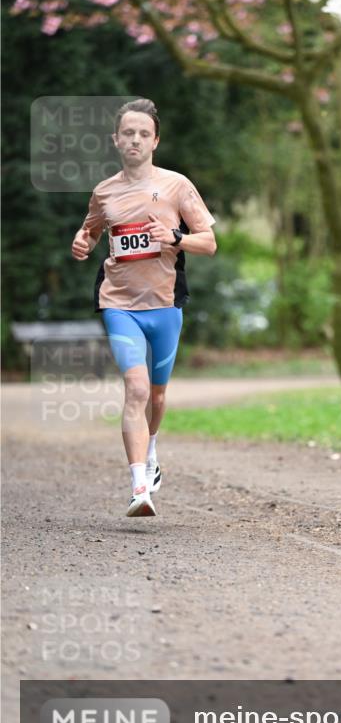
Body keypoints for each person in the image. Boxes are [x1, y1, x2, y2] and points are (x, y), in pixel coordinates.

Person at [71, 98, 217, 517]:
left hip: (165, 304)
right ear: (116, 140)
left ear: (155, 140)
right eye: (127, 133)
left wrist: (175, 237)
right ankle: (139, 486)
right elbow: (90, 232)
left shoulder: (176, 185)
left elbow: (208, 242)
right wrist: (82, 243)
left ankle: (150, 454)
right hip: (118, 303)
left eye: (143, 134)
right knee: (135, 389)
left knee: (156, 393)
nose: (135, 139)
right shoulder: (104, 191)